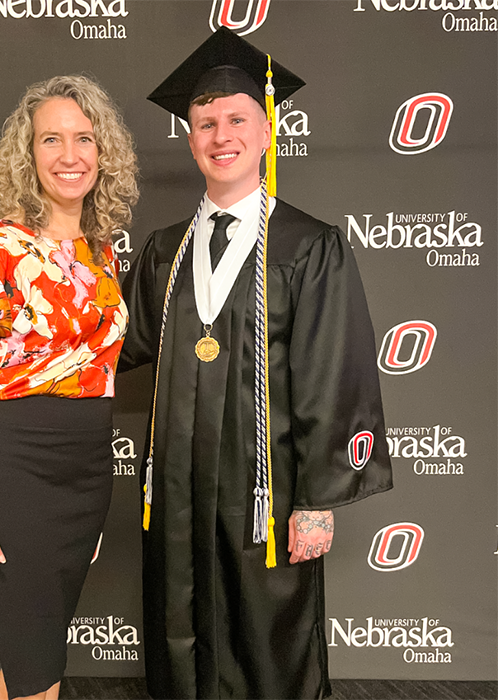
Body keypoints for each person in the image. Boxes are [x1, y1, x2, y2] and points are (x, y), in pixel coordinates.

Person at [119, 27, 393, 700]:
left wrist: (318, 503)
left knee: (269, 642)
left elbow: (334, 371)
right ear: (190, 139)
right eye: (205, 122)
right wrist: (26, 305)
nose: (220, 135)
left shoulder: (309, 245)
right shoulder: (164, 250)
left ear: (267, 129)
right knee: (179, 631)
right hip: (179, 485)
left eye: (237, 119)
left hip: (265, 490)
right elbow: (118, 342)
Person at [0, 75, 138, 700]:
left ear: (103, 152)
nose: (69, 154)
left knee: (31, 655)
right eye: (50, 139)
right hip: (15, 470)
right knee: (37, 673)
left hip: (85, 472)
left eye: (84, 138)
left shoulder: (102, 253)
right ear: (27, 156)